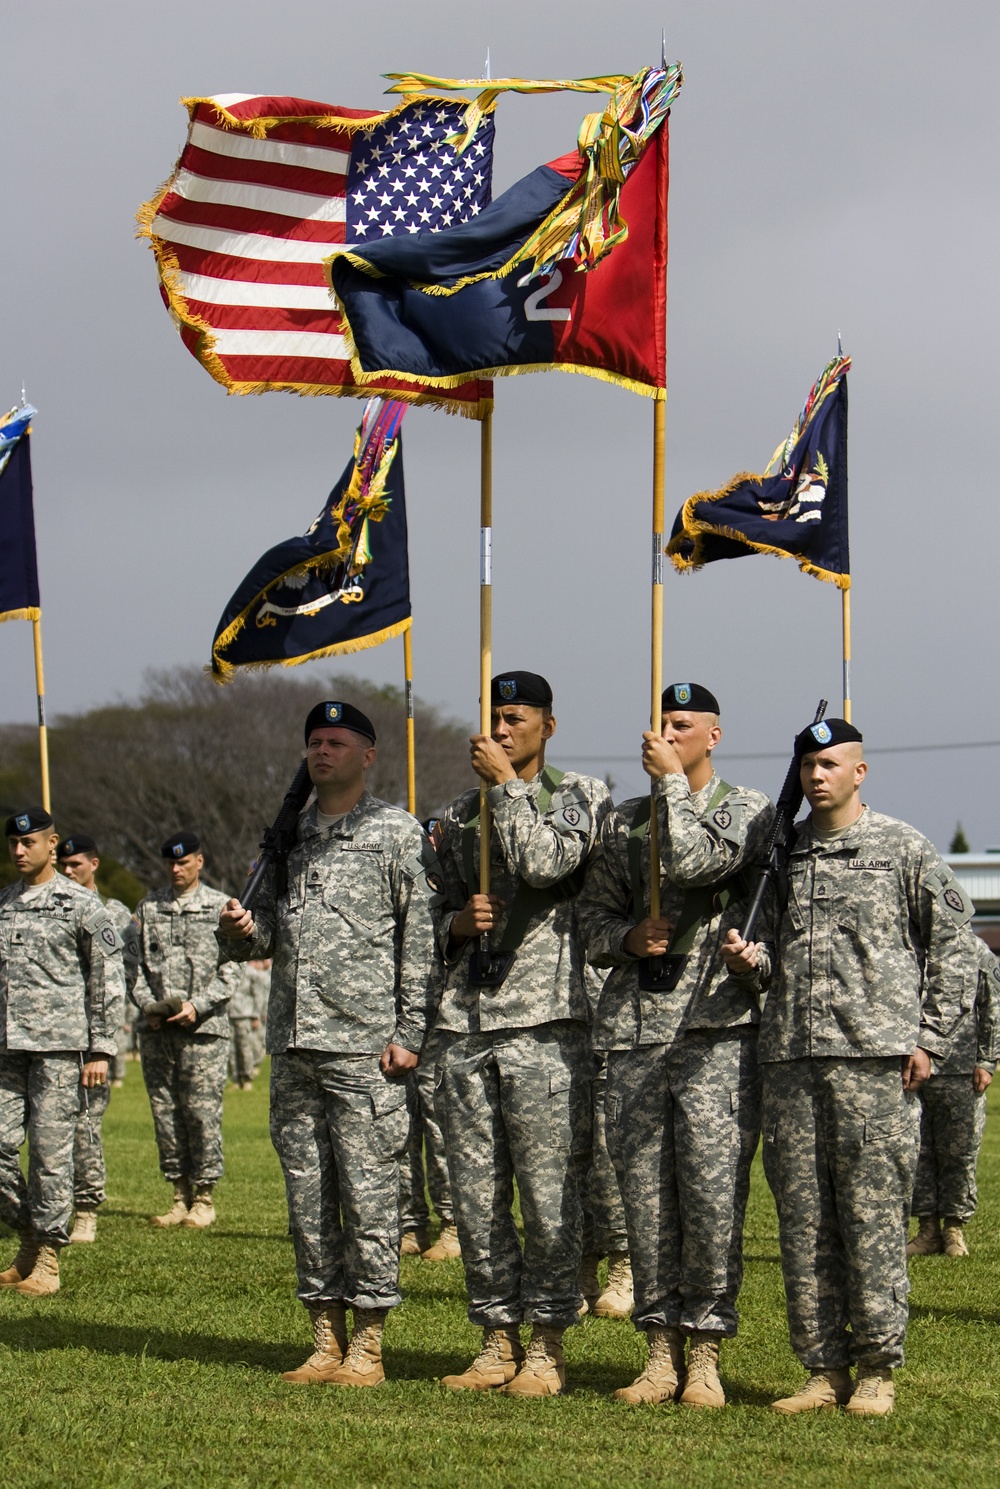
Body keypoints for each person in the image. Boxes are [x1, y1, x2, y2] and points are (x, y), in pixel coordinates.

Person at [721, 718, 972, 1417]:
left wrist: (931, 1039)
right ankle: (821, 1368)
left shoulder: (900, 847)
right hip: (793, 1065)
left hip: (872, 1065)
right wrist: (750, 962)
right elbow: (771, 955)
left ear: (860, 772)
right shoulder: (782, 855)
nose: (817, 776)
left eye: (831, 764)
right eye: (807, 766)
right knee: (804, 1226)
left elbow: (953, 945)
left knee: (870, 1220)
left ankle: (878, 1369)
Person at [218, 701, 443, 1388]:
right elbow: (267, 937)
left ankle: (368, 1346)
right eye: (313, 741)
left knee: (372, 1197)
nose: (321, 752)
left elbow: (422, 937)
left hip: (365, 1047)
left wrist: (410, 1032)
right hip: (295, 1043)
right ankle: (324, 1337)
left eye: (336, 742)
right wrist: (237, 926)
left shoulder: (395, 833)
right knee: (308, 1197)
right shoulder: (290, 835)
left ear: (367, 755)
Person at [578, 683, 772, 1408]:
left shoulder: (746, 810)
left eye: (681, 724)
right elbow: (590, 919)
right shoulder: (623, 822)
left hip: (713, 1033)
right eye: (660, 721)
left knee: (713, 1199)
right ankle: (660, 1351)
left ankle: (708, 1355)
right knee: (647, 1202)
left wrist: (667, 785)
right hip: (636, 1032)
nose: (665, 732)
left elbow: (695, 862)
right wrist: (624, 939)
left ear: (713, 735)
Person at [431, 671, 611, 1397]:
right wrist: (453, 923)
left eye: (515, 718)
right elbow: (429, 911)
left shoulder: (582, 798)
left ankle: (546, 1342)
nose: (501, 729)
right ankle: (494, 1335)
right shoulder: (454, 815)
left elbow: (545, 862)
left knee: (546, 1195)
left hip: (544, 1023)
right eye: (493, 718)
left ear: (548, 727)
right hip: (466, 1022)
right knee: (474, 1196)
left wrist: (506, 785)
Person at [0, 808, 126, 1294]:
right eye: (12, 842)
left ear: (52, 845)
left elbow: (106, 980)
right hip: (8, 1048)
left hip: (60, 1048)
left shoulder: (81, 906)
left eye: (28, 842)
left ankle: (47, 1258)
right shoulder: (4, 903)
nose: (17, 850)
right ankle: (30, 1230)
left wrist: (101, 1049)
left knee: (52, 1155)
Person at [133, 831, 237, 1229]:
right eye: (171, 863)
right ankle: (178, 1194)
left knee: (200, 1112)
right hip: (159, 1032)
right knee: (165, 1112)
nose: (176, 869)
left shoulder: (219, 907)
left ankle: (205, 1197)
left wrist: (199, 1005)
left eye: (184, 861)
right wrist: (147, 1005)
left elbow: (231, 969)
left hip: (204, 1031)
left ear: (199, 861)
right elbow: (134, 967)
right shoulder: (149, 908)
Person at [56, 833, 141, 1243]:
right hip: (49, 1035)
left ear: (94, 864)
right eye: (64, 865)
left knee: (84, 1124)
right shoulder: (49, 907)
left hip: (90, 1034)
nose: (69, 871)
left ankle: (85, 1209)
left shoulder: (113, 914)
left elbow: (124, 973)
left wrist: (102, 1038)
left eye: (76, 865)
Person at [907, 932, 997, 1258]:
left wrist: (986, 1060)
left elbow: (992, 1005)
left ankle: (954, 1230)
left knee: (959, 1153)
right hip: (913, 1067)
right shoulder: (910, 944)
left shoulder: (974, 950)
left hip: (960, 1071)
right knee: (918, 1153)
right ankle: (927, 1231)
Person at [228, 964, 263, 1091]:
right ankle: (235, 1079)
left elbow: (257, 995)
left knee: (244, 1048)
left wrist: (256, 1015)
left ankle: (247, 1078)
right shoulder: (227, 969)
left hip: (244, 1014)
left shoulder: (251, 972)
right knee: (231, 1050)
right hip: (228, 1014)